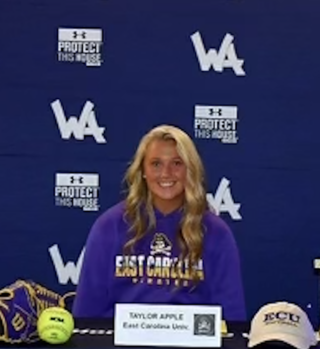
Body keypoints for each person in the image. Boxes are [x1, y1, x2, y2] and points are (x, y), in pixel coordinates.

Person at [73, 124, 246, 321]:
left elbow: (232, 319)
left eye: (177, 163)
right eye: (156, 164)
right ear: (142, 171)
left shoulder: (215, 232)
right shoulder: (109, 226)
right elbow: (86, 312)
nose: (166, 173)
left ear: (190, 170)